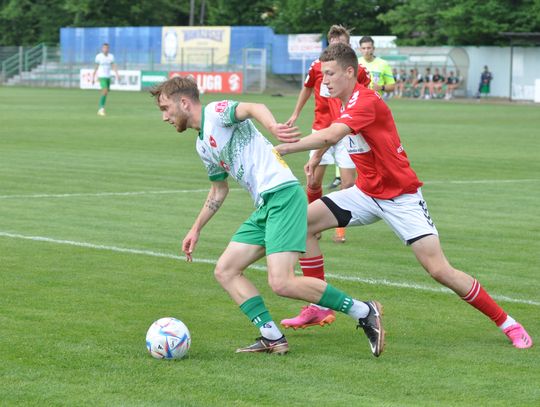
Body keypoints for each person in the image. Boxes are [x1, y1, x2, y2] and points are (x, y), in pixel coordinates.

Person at [276, 43, 532, 350]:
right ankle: (319, 307)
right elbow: (333, 133)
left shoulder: (365, 100)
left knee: (439, 270)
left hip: (401, 198)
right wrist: (316, 158)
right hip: (366, 193)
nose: (324, 80)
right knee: (301, 224)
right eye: (322, 74)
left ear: (348, 72)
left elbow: (332, 135)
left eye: (329, 74)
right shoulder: (343, 101)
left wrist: (281, 149)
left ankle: (508, 323)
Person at [150, 76, 385, 357]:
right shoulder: (202, 146)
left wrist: (273, 126)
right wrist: (195, 229)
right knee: (225, 270)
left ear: (184, 103)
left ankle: (364, 311)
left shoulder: (215, 113)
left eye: (166, 108)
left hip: (283, 195)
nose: (165, 117)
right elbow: (218, 190)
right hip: (265, 205)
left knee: (282, 282)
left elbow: (253, 107)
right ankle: (272, 337)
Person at [286, 25, 371, 245]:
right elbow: (306, 87)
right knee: (313, 181)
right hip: (321, 128)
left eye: (341, 44)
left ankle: (340, 231)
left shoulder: (358, 71)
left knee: (348, 184)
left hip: (345, 130)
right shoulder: (317, 66)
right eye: (334, 44)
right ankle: (313, 224)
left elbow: (364, 97)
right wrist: (296, 113)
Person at [92, 43, 119, 116]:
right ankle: (101, 109)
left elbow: (113, 66)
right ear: (102, 49)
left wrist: (117, 74)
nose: (105, 49)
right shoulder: (99, 57)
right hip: (102, 76)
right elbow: (96, 67)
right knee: (104, 91)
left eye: (107, 48)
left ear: (108, 49)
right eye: (104, 48)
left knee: (106, 92)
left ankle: (101, 107)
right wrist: (93, 76)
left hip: (108, 77)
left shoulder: (111, 57)